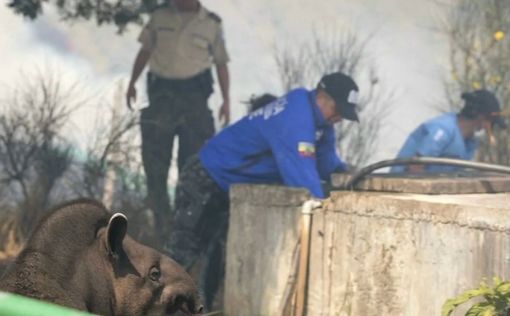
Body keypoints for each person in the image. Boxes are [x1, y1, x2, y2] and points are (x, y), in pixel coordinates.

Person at [166, 71, 360, 310]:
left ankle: (201, 310)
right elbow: (302, 179)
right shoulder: (296, 117)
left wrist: (354, 177)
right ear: (323, 97)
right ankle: (147, 308)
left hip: (227, 184)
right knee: (181, 255)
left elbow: (327, 163)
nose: (340, 118)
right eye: (339, 110)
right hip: (206, 176)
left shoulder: (320, 122)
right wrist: (330, 215)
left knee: (216, 258)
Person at [125, 0, 230, 235]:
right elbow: (145, 51)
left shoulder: (211, 24)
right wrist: (132, 83)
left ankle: (185, 231)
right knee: (155, 164)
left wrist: (226, 100)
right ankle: (160, 225)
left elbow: (221, 63)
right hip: (162, 97)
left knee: (192, 167)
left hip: (194, 100)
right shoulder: (160, 16)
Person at [390, 89, 506, 173]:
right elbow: (414, 167)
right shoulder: (443, 129)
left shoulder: (470, 142)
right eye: (490, 121)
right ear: (479, 115)